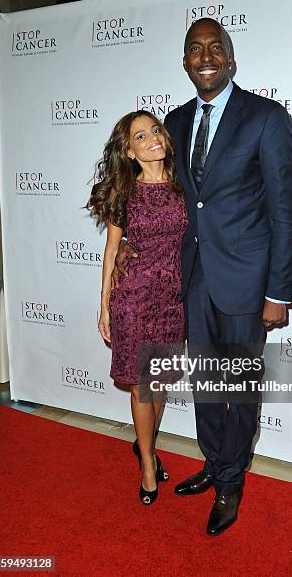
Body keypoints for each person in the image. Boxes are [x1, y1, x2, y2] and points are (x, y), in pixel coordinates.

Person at [115, 18, 292, 534]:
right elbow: (149, 192)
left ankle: (231, 483)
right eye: (194, 49)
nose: (205, 56)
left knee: (238, 388)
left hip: (247, 283)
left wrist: (278, 291)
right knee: (205, 383)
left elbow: (288, 211)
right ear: (183, 61)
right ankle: (214, 462)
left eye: (214, 47)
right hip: (188, 282)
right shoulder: (171, 124)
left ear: (230, 57)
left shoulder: (266, 117)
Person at [87, 110, 187, 506]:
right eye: (141, 136)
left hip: (172, 299)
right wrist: (105, 308)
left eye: (155, 130)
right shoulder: (123, 191)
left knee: (158, 384)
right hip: (133, 299)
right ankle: (147, 463)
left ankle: (145, 445)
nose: (153, 139)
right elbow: (112, 250)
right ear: (129, 150)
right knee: (144, 387)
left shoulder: (185, 185)